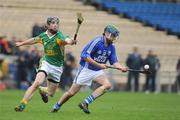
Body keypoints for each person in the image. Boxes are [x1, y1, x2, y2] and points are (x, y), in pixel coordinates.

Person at [51, 25, 128, 114]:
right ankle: (57, 105)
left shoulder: (112, 47)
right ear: (107, 34)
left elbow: (114, 62)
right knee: (71, 93)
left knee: (107, 85)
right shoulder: (97, 42)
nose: (114, 38)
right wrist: (99, 65)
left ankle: (85, 102)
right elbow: (84, 56)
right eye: (113, 35)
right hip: (86, 70)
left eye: (115, 36)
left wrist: (121, 67)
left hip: (97, 71)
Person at [14, 16, 76, 112]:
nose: (55, 25)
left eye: (57, 23)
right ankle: (22, 104)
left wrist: (70, 41)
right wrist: (21, 43)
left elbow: (65, 41)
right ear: (47, 25)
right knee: (37, 82)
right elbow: (34, 40)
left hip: (57, 67)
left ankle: (43, 90)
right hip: (46, 62)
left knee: (51, 93)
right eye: (53, 23)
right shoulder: (43, 36)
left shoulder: (59, 36)